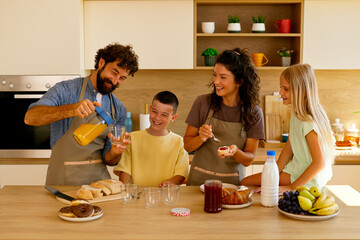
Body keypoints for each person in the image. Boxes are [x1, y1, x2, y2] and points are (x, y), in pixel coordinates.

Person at [24, 43, 139, 185]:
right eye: (114, 72)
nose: (115, 81)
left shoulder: (118, 109)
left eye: (122, 78)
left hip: (98, 186)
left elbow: (109, 161)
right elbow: (30, 117)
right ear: (101, 63)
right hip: (62, 183)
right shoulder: (66, 90)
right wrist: (71, 109)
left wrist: (116, 152)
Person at [241, 63, 334, 192]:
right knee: (246, 182)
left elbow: (320, 163)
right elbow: (288, 148)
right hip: (295, 172)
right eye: (281, 87)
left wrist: (290, 187)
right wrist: (273, 173)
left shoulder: (308, 122)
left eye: (285, 89)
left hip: (304, 179)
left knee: (246, 183)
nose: (280, 92)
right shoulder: (296, 116)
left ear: (303, 91)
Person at [184, 48, 265, 186]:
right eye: (214, 75)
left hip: (232, 186)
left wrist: (235, 152)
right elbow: (187, 145)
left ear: (239, 81)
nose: (216, 81)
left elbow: (249, 160)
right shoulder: (202, 103)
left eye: (223, 77)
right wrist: (200, 138)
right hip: (198, 183)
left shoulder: (254, 113)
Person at [113, 91, 189, 187]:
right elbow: (125, 170)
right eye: (154, 111)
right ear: (150, 109)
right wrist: (123, 188)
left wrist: (171, 182)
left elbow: (181, 174)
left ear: (173, 117)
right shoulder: (132, 138)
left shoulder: (179, 142)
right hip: (137, 197)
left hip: (164, 195)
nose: (157, 118)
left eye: (164, 115)